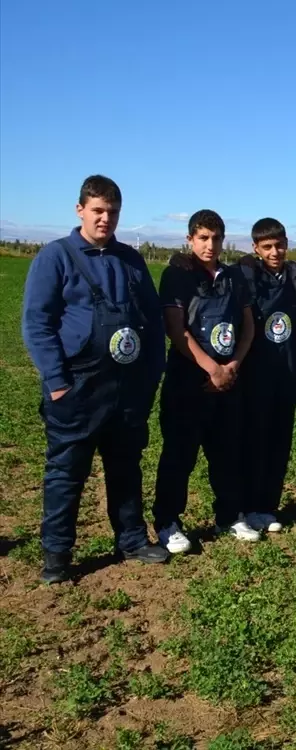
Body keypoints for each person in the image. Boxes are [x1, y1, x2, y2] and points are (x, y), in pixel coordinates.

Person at [21, 175, 170, 583]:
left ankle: (132, 539)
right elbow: (37, 325)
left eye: (113, 212)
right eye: (98, 211)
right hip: (77, 386)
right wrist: (57, 382)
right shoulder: (57, 257)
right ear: (80, 210)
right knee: (66, 471)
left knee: (126, 466)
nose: (106, 219)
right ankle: (57, 554)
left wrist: (151, 376)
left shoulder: (131, 260)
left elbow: (154, 324)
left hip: (127, 389)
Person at [153, 209, 259, 552]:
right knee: (179, 455)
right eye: (202, 238)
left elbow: (249, 327)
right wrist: (211, 368)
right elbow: (176, 328)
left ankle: (229, 516)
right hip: (189, 380)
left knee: (228, 453)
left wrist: (231, 367)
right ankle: (168, 522)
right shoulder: (177, 275)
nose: (210, 244)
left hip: (229, 380)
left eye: (215, 238)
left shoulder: (234, 277)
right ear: (190, 240)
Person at [237, 218, 296, 534]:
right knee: (254, 441)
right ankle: (248, 505)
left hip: (287, 373)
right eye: (267, 247)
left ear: (287, 244)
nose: (274, 251)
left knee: (280, 442)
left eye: (279, 245)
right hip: (256, 374)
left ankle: (268, 506)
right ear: (256, 248)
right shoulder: (247, 274)